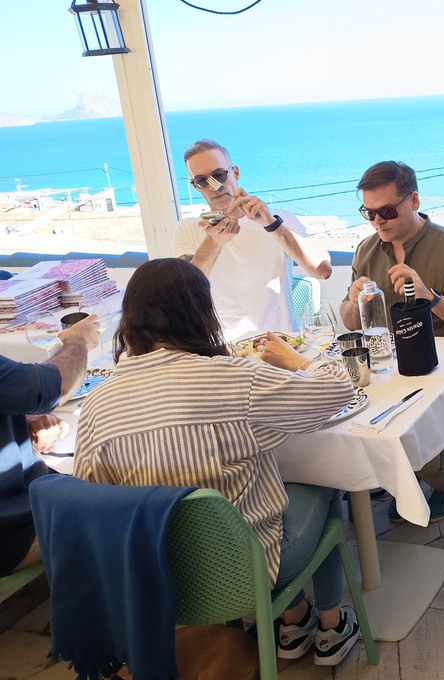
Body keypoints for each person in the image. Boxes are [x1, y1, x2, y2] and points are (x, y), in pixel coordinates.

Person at [74, 259, 362, 666]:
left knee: (260, 485)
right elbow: (338, 389)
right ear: (201, 311)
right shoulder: (230, 377)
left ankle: (295, 618)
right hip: (244, 571)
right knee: (325, 476)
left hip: (156, 578)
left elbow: (90, 500)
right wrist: (297, 361)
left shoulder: (97, 403)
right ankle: (331, 627)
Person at [340, 161, 444, 522]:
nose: (378, 222)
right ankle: (385, 477)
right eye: (369, 213)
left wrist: (431, 297)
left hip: (439, 360)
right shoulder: (366, 250)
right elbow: (349, 320)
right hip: (386, 361)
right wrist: (353, 301)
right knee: (341, 412)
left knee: (400, 422)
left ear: (414, 200)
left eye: (387, 211)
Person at [174, 139, 331, 341]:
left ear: (235, 173)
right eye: (202, 181)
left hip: (280, 344)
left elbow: (322, 270)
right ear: (196, 186)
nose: (214, 187)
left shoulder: (278, 218)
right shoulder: (189, 228)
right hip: (225, 349)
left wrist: (271, 224)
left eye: (219, 175)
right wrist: (214, 241)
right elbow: (185, 292)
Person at [1, 315, 100, 575]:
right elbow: (57, 385)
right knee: (130, 513)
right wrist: (78, 341)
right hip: (13, 531)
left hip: (25, 504)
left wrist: (20, 419)